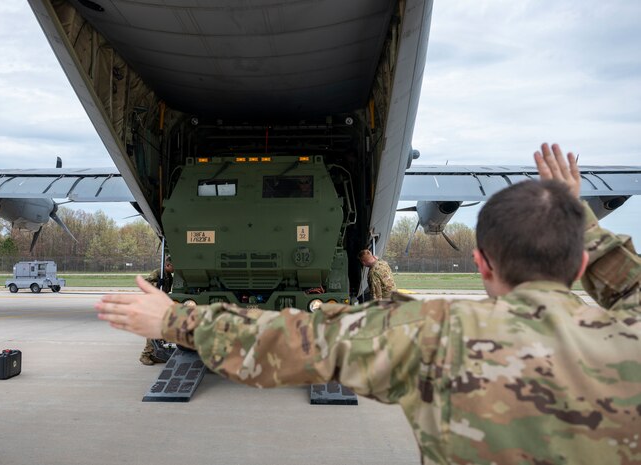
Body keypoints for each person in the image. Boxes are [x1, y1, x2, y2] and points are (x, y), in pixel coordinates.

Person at [97, 144, 640, 465]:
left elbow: (283, 342)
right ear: (580, 266)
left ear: (482, 262)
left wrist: (174, 318)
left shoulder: (435, 335)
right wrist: (580, 220)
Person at [138, 257, 174, 365]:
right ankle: (145, 355)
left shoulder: (169, 276)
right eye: (173, 267)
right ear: (168, 265)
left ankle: (155, 354)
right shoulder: (158, 273)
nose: (175, 269)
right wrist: (157, 284)